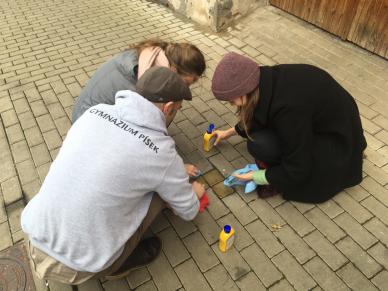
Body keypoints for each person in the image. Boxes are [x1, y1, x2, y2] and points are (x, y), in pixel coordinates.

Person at [21, 67, 205, 285]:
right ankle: (117, 265)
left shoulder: (94, 112)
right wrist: (192, 192)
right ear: (168, 107)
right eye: (178, 109)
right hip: (81, 266)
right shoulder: (162, 152)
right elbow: (189, 211)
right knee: (156, 196)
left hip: (36, 234)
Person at [211, 52, 366, 203]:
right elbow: (260, 114)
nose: (230, 103)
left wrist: (256, 176)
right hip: (332, 123)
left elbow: (298, 168)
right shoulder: (267, 79)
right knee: (261, 139)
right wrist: (229, 132)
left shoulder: (289, 111)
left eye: (231, 100)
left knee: (259, 144)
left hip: (337, 143)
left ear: (245, 89)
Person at [72, 39, 206, 178]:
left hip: (88, 116)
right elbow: (142, 136)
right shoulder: (141, 86)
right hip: (89, 131)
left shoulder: (151, 56)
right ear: (173, 70)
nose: (185, 90)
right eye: (185, 84)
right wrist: (174, 168)